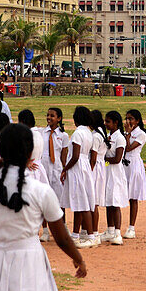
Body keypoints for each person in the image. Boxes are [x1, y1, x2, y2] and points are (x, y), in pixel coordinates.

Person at [0, 123, 87, 291]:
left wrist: (1, 164)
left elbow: (1, 183)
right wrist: (78, 259)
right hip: (27, 261)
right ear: (30, 153)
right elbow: (62, 238)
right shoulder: (41, 191)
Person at [62, 106, 97, 247]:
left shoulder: (77, 133)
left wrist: (65, 169)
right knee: (80, 202)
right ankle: (76, 234)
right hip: (84, 167)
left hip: (77, 168)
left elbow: (75, 156)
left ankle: (90, 236)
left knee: (83, 203)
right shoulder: (88, 132)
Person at [38, 107, 70, 241]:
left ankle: (62, 228)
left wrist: (64, 169)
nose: (49, 118)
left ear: (59, 118)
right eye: (48, 115)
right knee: (43, 201)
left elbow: (64, 155)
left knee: (59, 201)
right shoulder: (41, 133)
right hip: (44, 169)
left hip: (56, 170)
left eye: (52, 116)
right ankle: (45, 231)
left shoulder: (63, 135)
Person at [102, 110, 129, 244]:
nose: (105, 124)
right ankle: (110, 230)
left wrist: (103, 161)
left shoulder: (120, 138)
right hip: (107, 172)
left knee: (115, 202)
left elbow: (117, 159)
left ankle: (117, 233)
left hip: (115, 173)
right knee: (108, 202)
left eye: (108, 121)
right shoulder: (107, 136)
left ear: (115, 123)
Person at [124, 109, 146, 240]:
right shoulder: (125, 132)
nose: (128, 121)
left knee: (133, 197)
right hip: (124, 164)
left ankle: (131, 227)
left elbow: (128, 147)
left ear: (137, 121)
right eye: (127, 118)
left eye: (131, 119)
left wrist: (127, 133)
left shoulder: (141, 134)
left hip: (134, 165)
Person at [89, 109, 109, 247]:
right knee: (93, 201)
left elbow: (94, 157)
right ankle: (90, 230)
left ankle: (94, 232)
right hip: (101, 167)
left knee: (93, 202)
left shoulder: (96, 136)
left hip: (95, 168)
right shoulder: (101, 133)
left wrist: (88, 171)